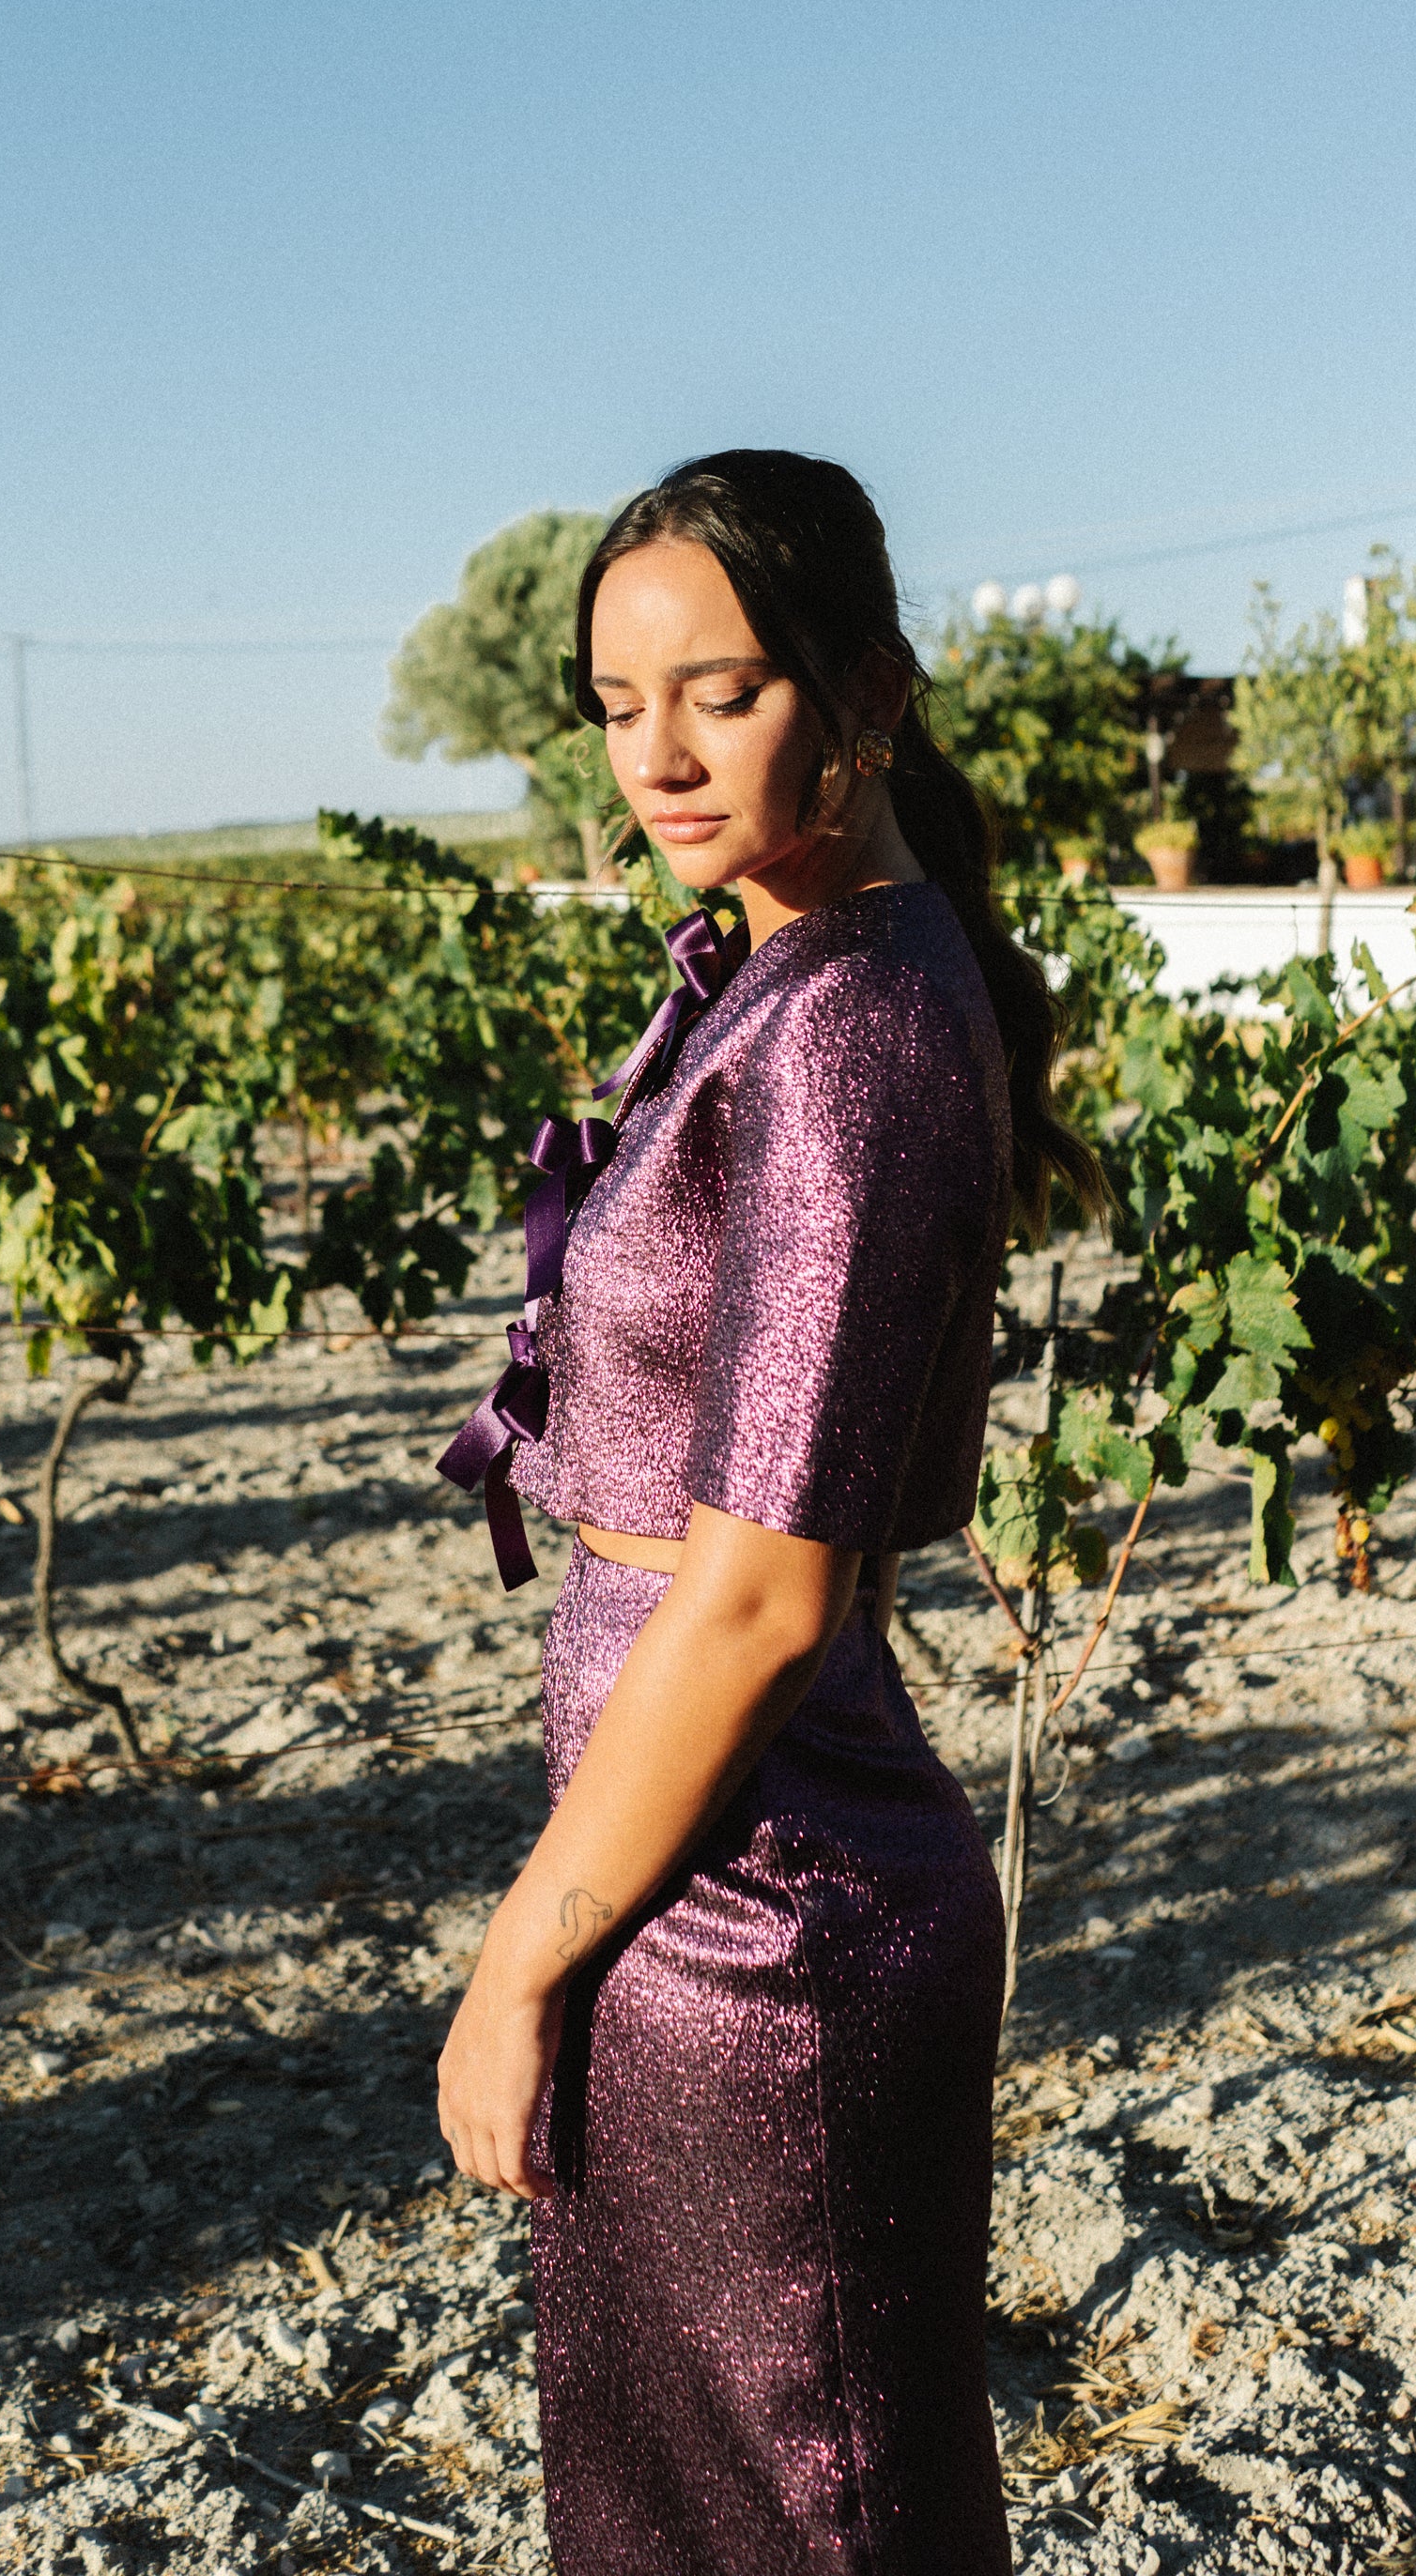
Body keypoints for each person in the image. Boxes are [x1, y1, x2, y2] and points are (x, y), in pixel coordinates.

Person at [434, 448, 1101, 2575]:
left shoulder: (851, 1030)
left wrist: (520, 1958)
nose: (657, 753)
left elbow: (756, 1591)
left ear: (869, 690)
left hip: (763, 1903)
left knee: (809, 2516)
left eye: (716, 692)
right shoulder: (795, 971)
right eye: (616, 704)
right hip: (691, 1867)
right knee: (695, 2509)